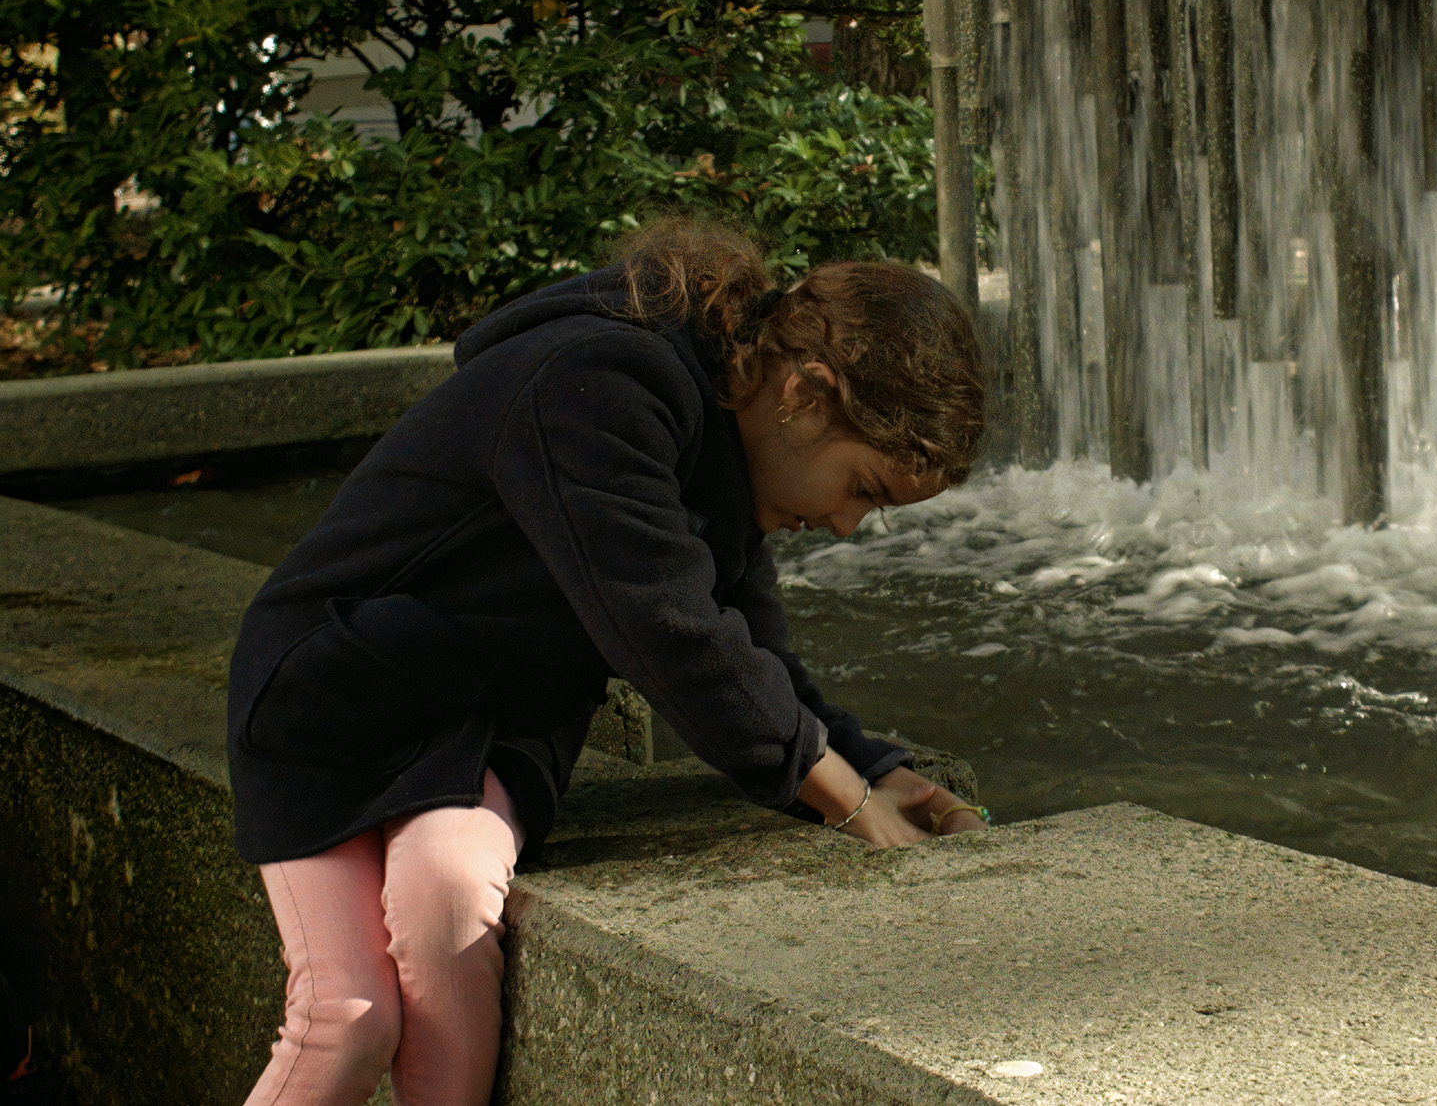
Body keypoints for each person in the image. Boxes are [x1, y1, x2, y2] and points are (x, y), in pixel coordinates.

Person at [225, 219, 989, 1106]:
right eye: (865, 489)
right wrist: (846, 803)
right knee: (347, 1018)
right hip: (330, 695)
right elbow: (666, 630)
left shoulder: (724, 452)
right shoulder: (602, 387)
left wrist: (875, 768)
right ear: (805, 393)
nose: (850, 525)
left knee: (444, 903)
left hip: (493, 722)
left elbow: (754, 656)